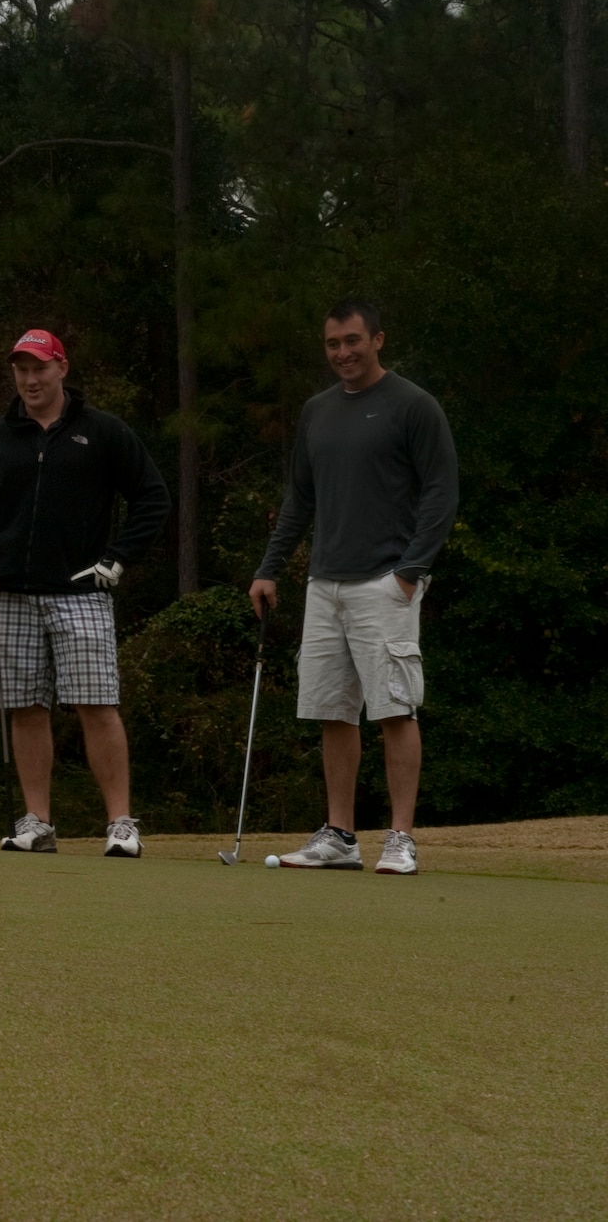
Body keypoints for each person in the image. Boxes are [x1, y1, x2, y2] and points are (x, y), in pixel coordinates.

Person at [250, 299, 458, 875]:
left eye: (352, 341)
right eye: (333, 343)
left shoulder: (413, 406)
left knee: (396, 709)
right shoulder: (317, 411)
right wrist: (269, 568)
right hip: (325, 584)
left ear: (378, 340)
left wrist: (410, 572)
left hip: (386, 582)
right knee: (332, 712)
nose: (342, 352)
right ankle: (340, 835)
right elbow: (299, 499)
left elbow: (442, 492)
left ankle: (400, 837)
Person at [0, 329, 171, 856]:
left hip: (80, 594)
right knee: (26, 707)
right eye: (21, 370)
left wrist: (117, 559)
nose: (30, 379)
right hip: (8, 595)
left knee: (96, 703)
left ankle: (120, 823)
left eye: (39, 368)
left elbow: (152, 497)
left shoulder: (102, 432)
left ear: (62, 368)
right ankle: (38, 822)